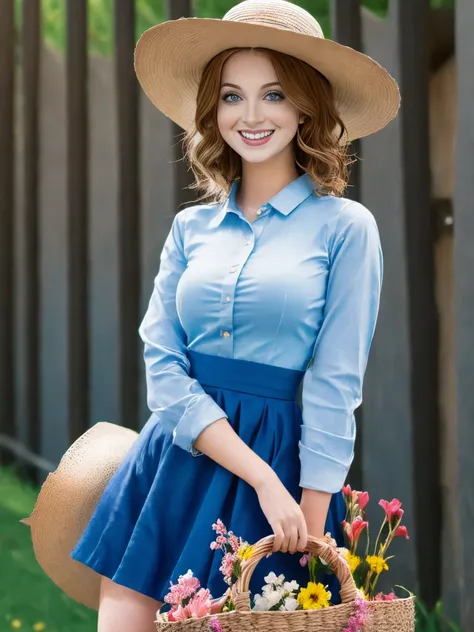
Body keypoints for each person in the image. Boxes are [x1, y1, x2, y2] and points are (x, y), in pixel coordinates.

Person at [28, 2, 400, 631]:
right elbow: (162, 363)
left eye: (274, 94)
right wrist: (258, 478)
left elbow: (337, 383)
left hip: (285, 470)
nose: (250, 116)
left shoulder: (346, 229)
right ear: (213, 109)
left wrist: (309, 517)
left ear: (306, 105)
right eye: (232, 96)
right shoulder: (190, 227)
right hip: (176, 459)